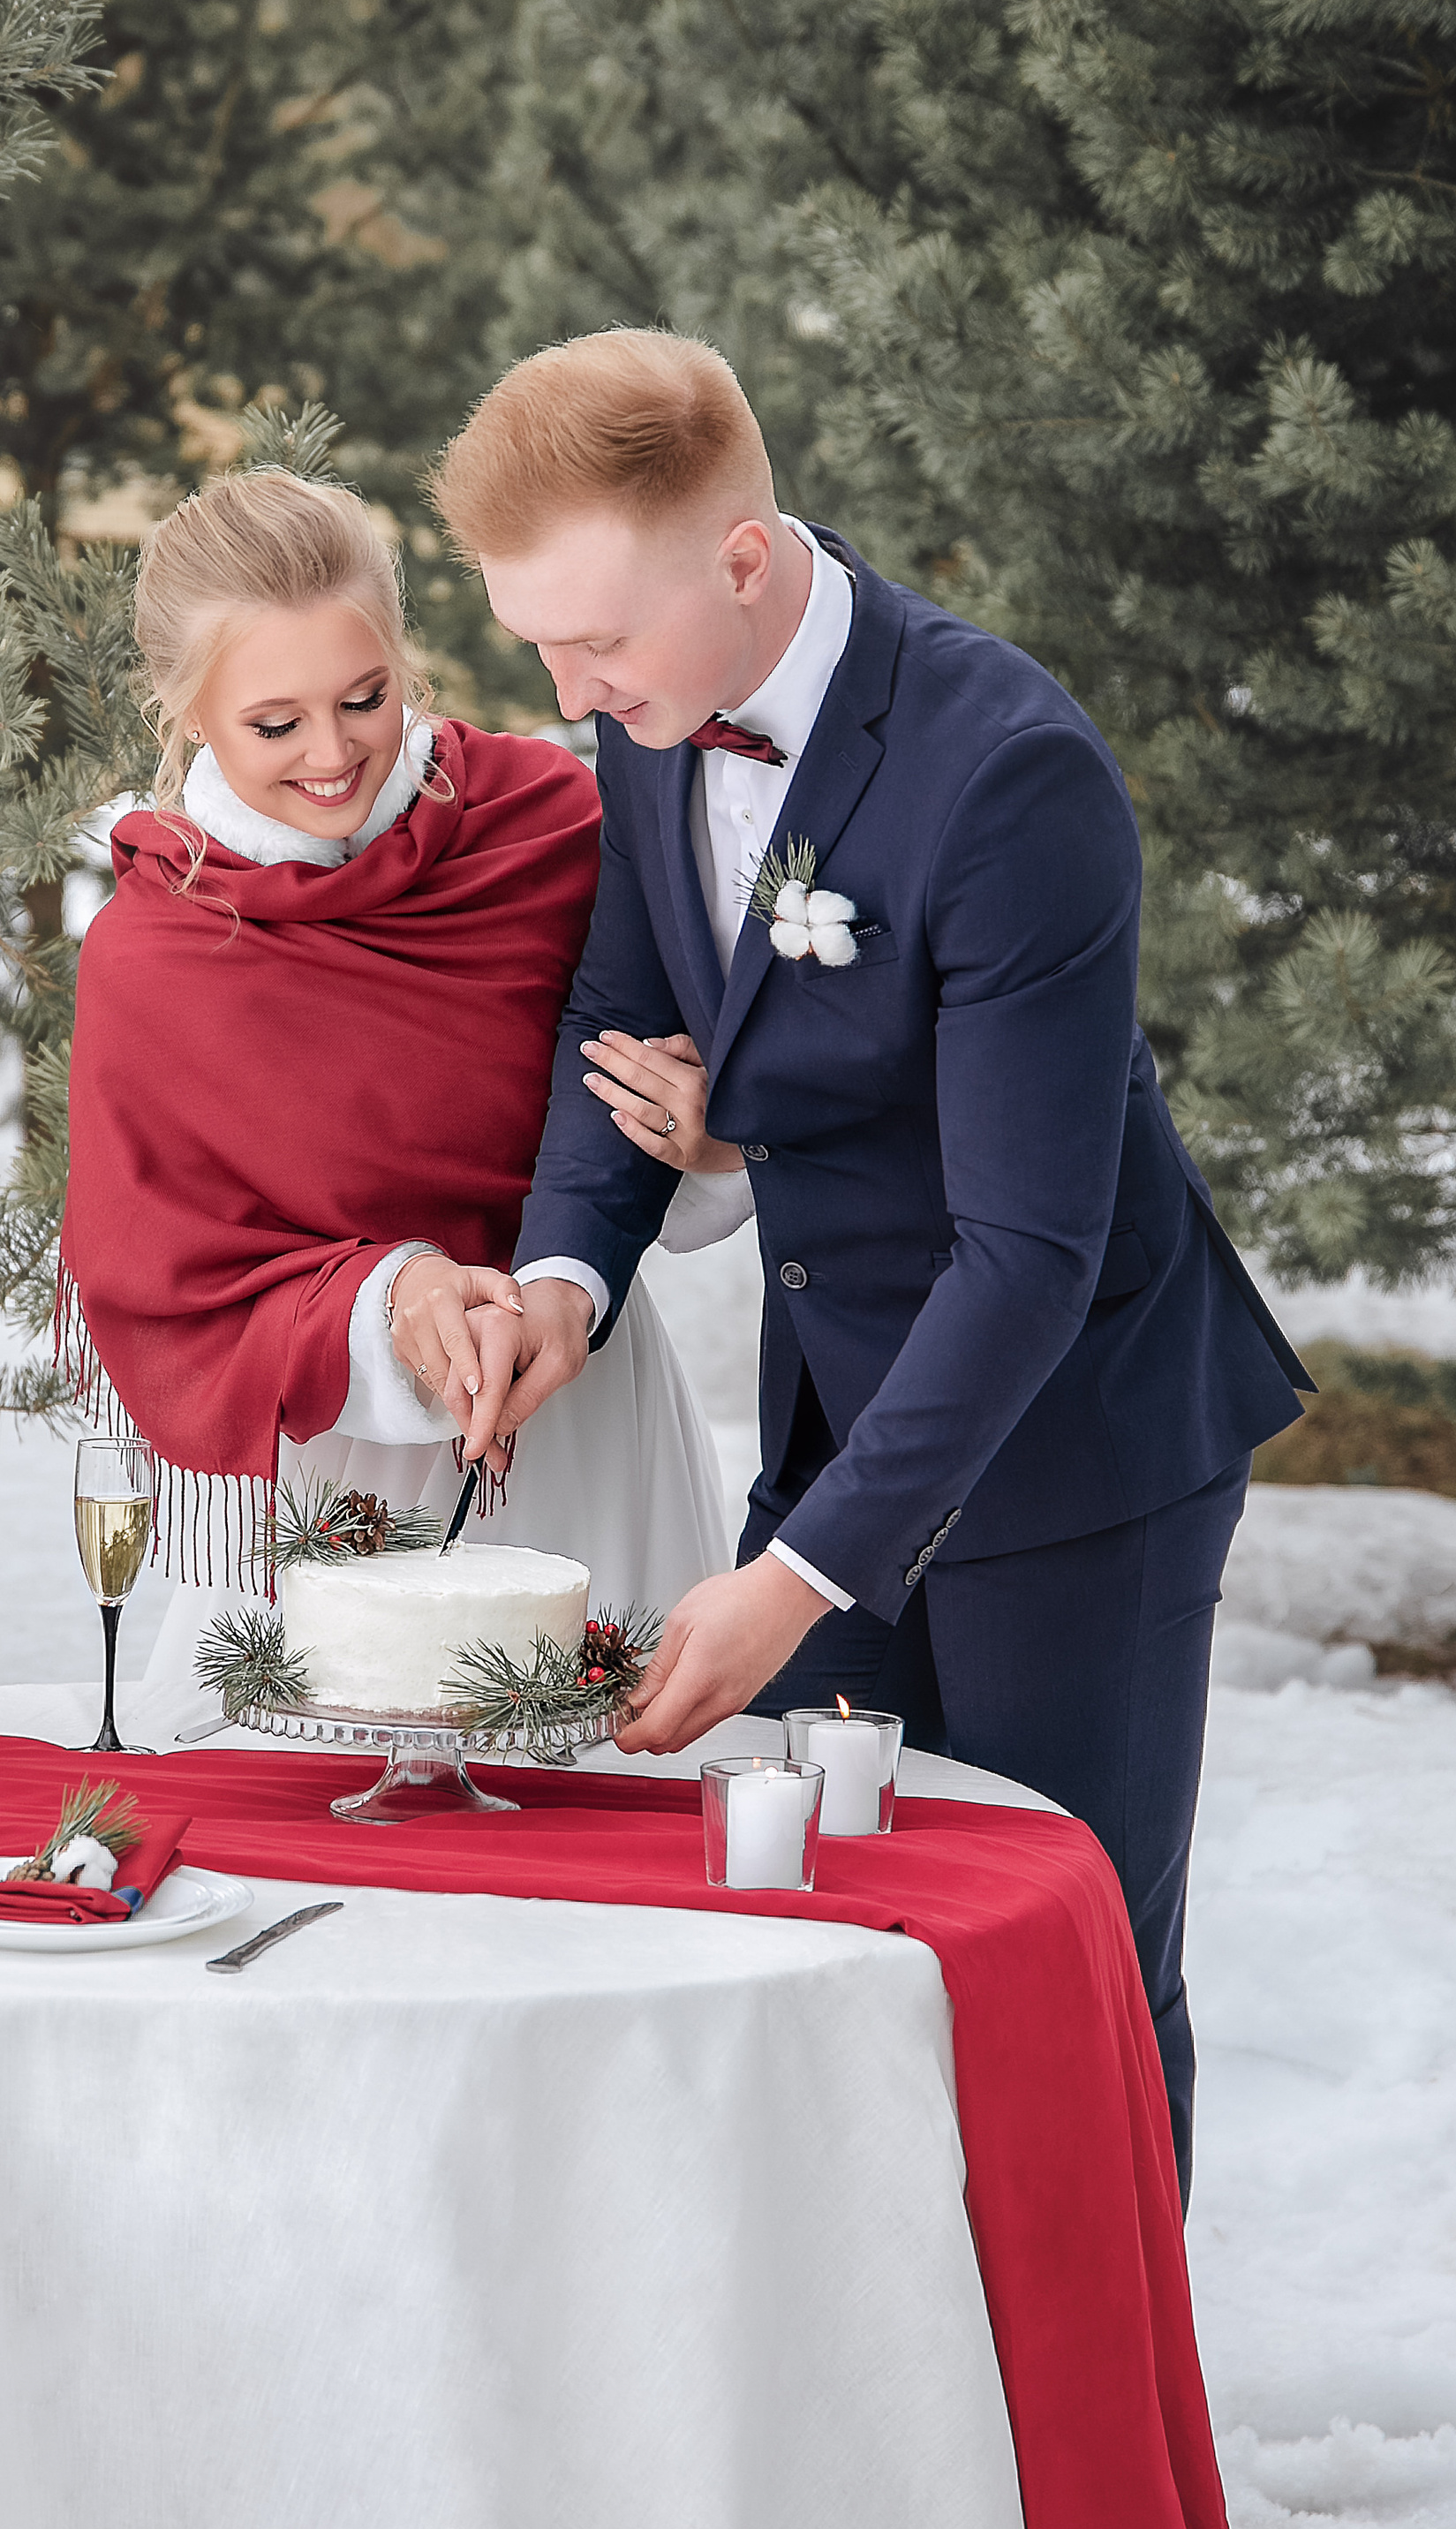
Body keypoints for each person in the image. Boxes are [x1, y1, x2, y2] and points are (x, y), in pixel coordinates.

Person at [433, 329, 1309, 2200]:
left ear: (740, 559)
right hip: (840, 1413)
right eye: (538, 648)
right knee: (832, 1945)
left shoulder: (1009, 778)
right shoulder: (645, 699)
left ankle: (1096, 2462)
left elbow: (1024, 1253)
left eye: (593, 643)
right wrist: (568, 1288)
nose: (565, 690)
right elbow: (622, 1010)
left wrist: (779, 1579)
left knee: (1060, 1955)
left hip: (1076, 1442)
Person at [57, 466, 728, 1712]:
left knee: (611, 1853)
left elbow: (655, 1104)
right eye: (276, 725)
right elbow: (162, 1270)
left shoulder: (549, 824)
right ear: (186, 709)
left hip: (582, 1419)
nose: (334, 755)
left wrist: (708, 1139)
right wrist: (390, 1295)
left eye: (366, 698)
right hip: (330, 1478)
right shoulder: (154, 958)